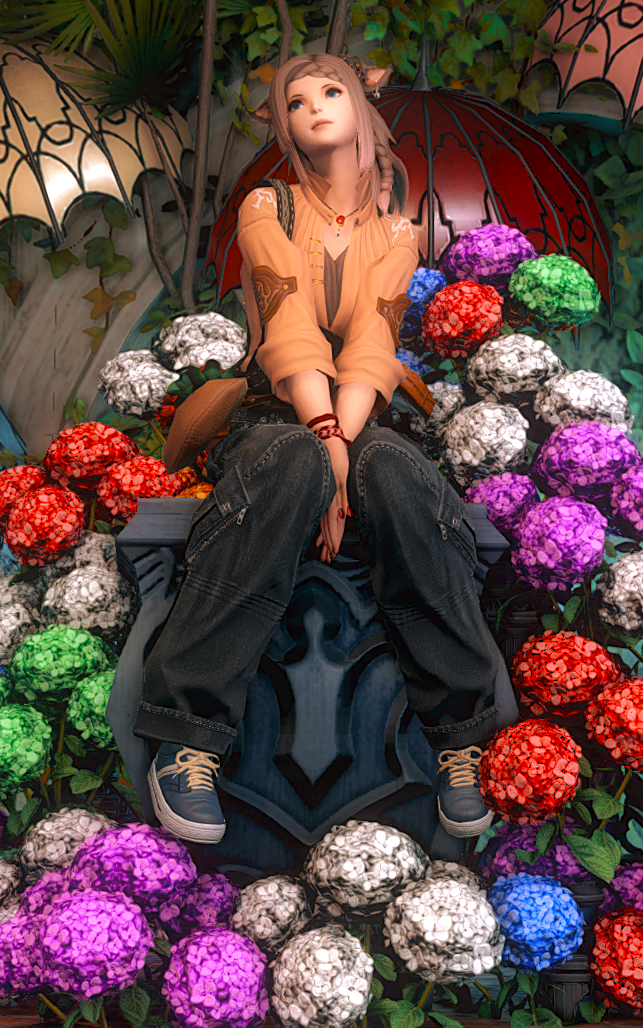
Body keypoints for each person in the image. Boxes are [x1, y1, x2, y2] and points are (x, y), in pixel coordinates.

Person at [134, 53, 503, 844]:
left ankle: (461, 742)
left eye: (330, 91)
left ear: (363, 106)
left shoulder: (398, 230)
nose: (314, 108)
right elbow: (289, 322)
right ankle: (187, 739)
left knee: (396, 473)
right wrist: (325, 442)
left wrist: (346, 443)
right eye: (295, 101)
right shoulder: (266, 206)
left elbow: (373, 341)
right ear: (284, 126)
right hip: (274, 407)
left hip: (366, 414)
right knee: (290, 459)